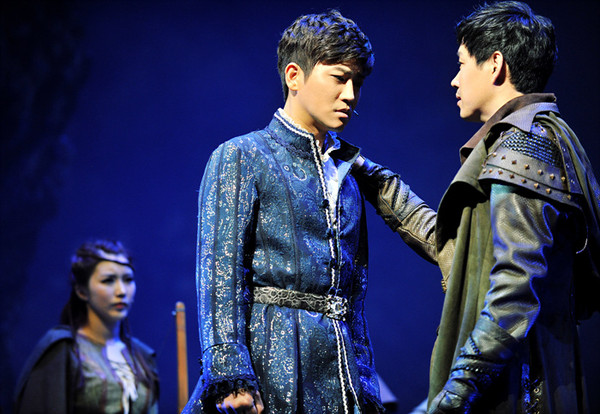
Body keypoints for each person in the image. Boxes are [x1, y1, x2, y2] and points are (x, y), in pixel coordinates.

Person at [352, 1, 600, 413]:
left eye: (462, 63)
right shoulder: (536, 137)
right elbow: (455, 248)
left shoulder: (522, 145)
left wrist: (453, 398)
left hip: (520, 388)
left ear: (495, 64)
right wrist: (371, 175)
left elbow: (514, 294)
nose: (454, 79)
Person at [183, 9, 383, 414]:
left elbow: (353, 296)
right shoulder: (243, 155)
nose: (350, 94)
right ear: (294, 76)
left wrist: (364, 385)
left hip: (339, 377)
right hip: (267, 368)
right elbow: (219, 273)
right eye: (339, 78)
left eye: (358, 83)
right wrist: (230, 377)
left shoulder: (346, 178)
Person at [14, 239, 159, 413]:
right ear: (82, 291)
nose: (121, 291)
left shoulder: (142, 355)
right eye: (108, 280)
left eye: (128, 280)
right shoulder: (64, 348)